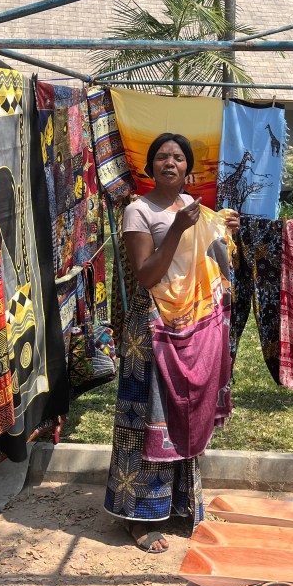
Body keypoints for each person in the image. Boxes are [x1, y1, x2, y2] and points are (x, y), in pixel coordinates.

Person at [104, 133, 238, 553]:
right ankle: (137, 517)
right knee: (147, 415)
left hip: (192, 329)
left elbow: (213, 266)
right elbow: (147, 274)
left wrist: (225, 234)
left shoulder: (197, 211)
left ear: (188, 169)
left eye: (178, 157)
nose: (169, 163)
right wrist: (179, 230)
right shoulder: (138, 211)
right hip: (152, 328)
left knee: (184, 411)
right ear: (150, 166)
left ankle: (179, 504)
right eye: (161, 157)